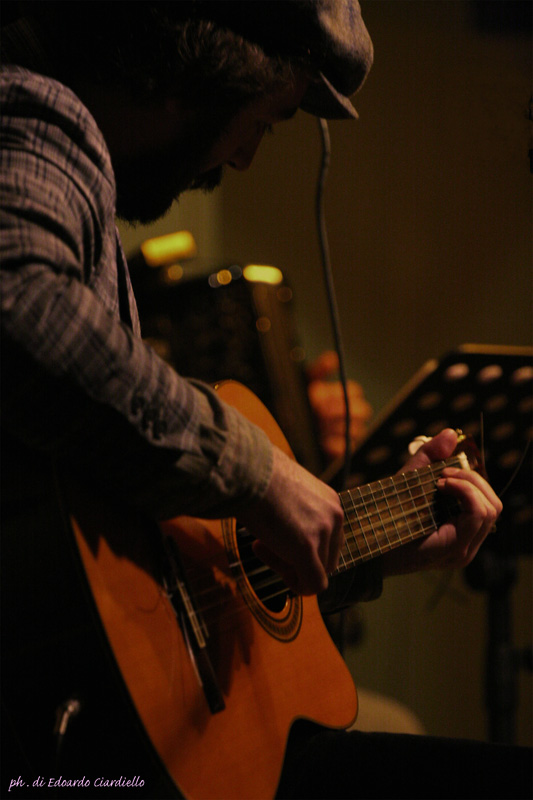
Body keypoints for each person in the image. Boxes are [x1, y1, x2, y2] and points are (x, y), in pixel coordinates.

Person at [0, 2, 529, 798]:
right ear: (210, 71)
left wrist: (364, 546)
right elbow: (16, 301)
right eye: (270, 118)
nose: (245, 157)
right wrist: (259, 473)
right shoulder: (39, 113)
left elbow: (157, 576)